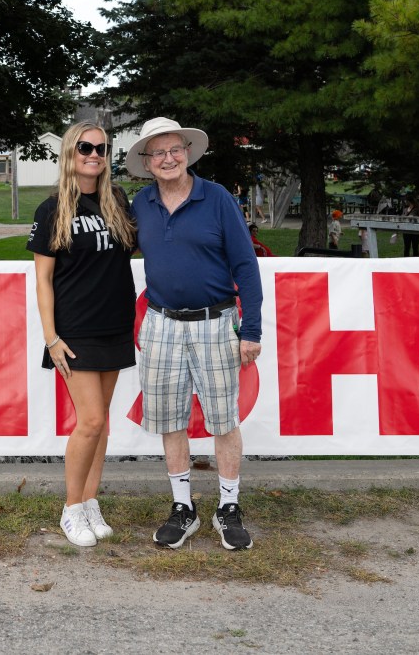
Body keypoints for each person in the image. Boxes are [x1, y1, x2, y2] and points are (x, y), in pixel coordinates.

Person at [126, 117, 263, 551]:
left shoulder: (217, 197)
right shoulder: (141, 204)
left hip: (216, 322)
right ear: (147, 161)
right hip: (161, 323)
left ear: (187, 152)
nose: (168, 159)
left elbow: (246, 265)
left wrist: (251, 328)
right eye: (158, 152)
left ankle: (228, 507)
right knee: (170, 420)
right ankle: (183, 507)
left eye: (174, 150)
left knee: (224, 418)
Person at [27, 122, 137, 547]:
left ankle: (90, 501)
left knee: (101, 421)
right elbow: (43, 280)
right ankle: (71, 509)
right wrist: (51, 337)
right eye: (85, 148)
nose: (94, 155)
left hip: (115, 324)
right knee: (89, 421)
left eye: (101, 148)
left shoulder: (117, 201)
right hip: (75, 331)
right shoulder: (51, 209)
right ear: (71, 153)